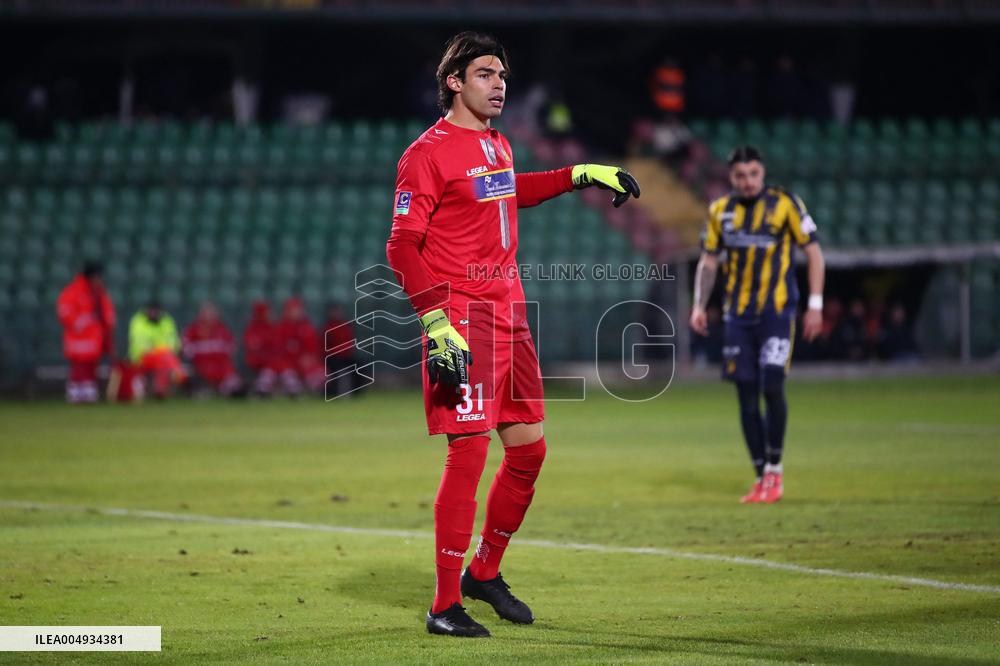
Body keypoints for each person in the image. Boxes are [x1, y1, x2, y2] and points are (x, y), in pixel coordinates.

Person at [385, 31, 640, 638]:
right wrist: (436, 322)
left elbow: (510, 192)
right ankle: (444, 606)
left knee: (529, 451)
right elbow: (401, 246)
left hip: (511, 316)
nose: (499, 84)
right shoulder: (427, 153)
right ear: (454, 82)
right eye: (485, 74)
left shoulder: (496, 145)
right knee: (468, 454)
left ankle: (484, 572)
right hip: (462, 322)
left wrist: (579, 174)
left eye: (502, 75)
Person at [689, 146, 825, 505]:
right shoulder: (721, 211)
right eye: (739, 176)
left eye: (753, 174)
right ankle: (761, 474)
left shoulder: (785, 204)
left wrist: (815, 305)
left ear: (762, 174)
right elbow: (708, 261)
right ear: (731, 177)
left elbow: (813, 253)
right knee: (746, 397)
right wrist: (699, 305)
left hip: (776, 313)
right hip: (737, 316)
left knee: (773, 383)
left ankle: (775, 471)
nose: (747, 182)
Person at [55, 260, 115, 403]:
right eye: (97, 277)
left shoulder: (99, 293)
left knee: (91, 364)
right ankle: (76, 391)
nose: (99, 280)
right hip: (78, 337)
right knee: (79, 365)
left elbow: (108, 312)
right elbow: (65, 312)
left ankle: (88, 391)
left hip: (94, 337)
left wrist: (106, 324)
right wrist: (82, 322)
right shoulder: (73, 291)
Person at [129, 301, 187, 399]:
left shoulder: (167, 321)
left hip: (162, 359)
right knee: (166, 360)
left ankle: (160, 391)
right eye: (151, 311)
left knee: (163, 364)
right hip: (141, 358)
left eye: (156, 311)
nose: (153, 313)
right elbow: (141, 346)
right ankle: (178, 375)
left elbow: (173, 343)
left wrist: (159, 349)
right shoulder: (138, 322)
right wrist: (160, 349)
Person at [182, 302, 242, 396]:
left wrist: (220, 351)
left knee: (229, 372)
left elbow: (231, 346)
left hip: (220, 363)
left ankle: (230, 389)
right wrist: (203, 351)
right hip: (201, 362)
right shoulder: (193, 329)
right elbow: (186, 348)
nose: (209, 315)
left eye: (212, 312)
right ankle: (205, 389)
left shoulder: (222, 328)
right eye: (206, 312)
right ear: (201, 314)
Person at [272, 296, 324, 395]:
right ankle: (294, 394)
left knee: (320, 372)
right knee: (284, 372)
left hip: (304, 361)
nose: (296, 312)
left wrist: (309, 357)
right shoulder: (281, 327)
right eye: (293, 310)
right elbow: (279, 350)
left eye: (298, 309)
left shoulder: (306, 326)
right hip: (287, 361)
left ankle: (317, 392)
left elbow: (313, 347)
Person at [243, 300, 278, 396]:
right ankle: (262, 389)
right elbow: (253, 349)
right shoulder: (252, 328)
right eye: (266, 313)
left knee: (283, 369)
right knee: (269, 369)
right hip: (259, 361)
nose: (269, 315)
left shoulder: (273, 327)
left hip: (273, 361)